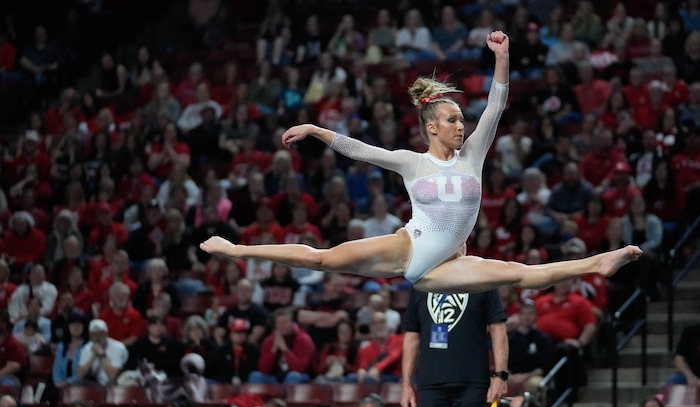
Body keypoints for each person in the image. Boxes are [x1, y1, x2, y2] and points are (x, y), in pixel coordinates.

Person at [201, 31, 641, 298]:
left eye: (461, 120)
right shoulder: (412, 163)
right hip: (408, 248)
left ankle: (599, 262)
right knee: (323, 260)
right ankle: (236, 249)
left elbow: (496, 105)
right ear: (432, 126)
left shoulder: (474, 154)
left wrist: (501, 58)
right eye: (452, 120)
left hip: (446, 267)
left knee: (517, 275)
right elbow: (360, 150)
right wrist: (317, 130)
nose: (461, 126)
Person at [401, 286, 508, 407]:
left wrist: (500, 374)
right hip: (430, 381)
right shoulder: (421, 283)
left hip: (472, 381)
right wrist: (406, 385)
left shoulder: (482, 280)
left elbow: (497, 327)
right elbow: (412, 335)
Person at [76, 319, 128, 386]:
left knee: (111, 382)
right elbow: (80, 375)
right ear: (90, 336)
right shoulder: (87, 348)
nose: (97, 338)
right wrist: (93, 356)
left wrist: (101, 354)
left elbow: (112, 375)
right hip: (96, 382)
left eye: (100, 334)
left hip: (116, 382)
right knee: (78, 383)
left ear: (106, 334)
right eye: (94, 335)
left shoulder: (118, 347)